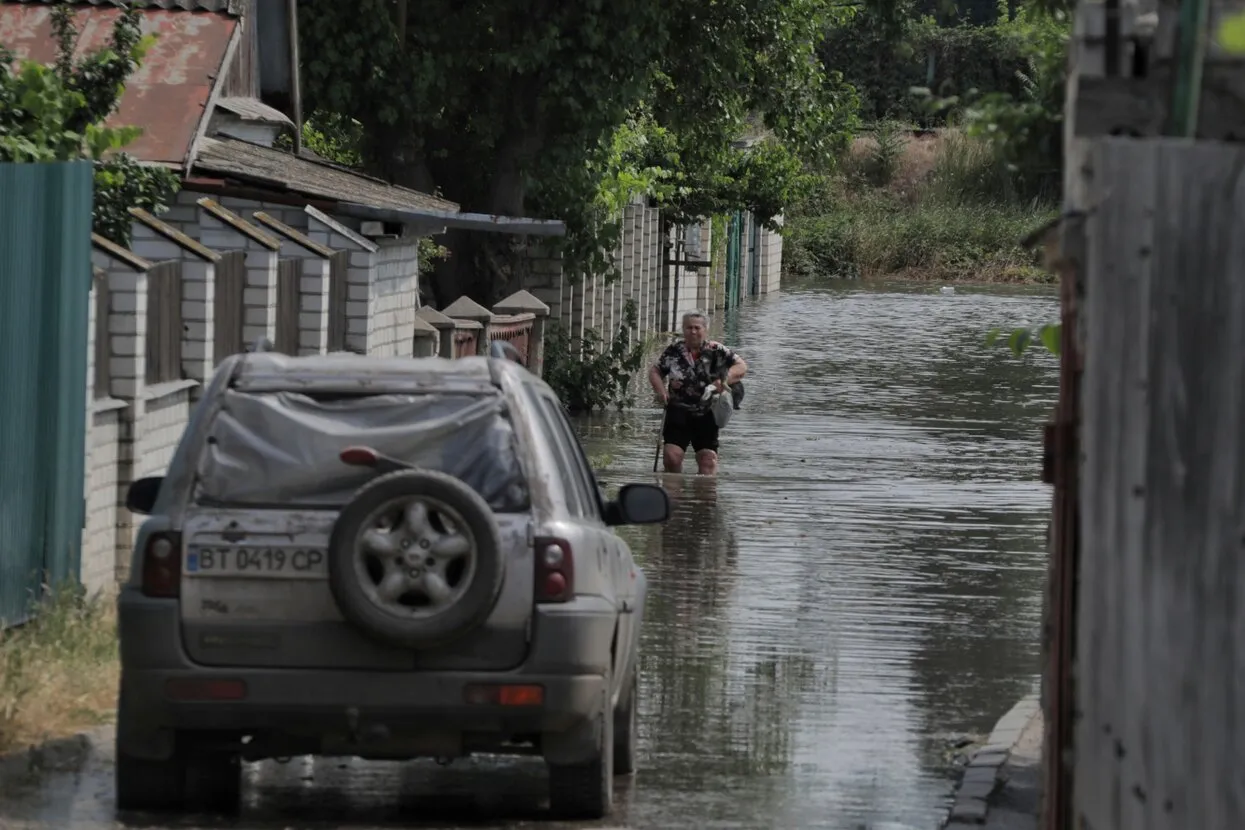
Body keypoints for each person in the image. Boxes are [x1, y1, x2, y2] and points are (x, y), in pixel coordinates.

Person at [649, 310, 747, 476]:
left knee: (707, 460)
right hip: (678, 411)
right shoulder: (674, 351)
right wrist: (661, 391)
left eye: (697, 327)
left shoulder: (717, 350)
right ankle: (673, 496)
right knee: (672, 457)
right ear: (683, 329)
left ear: (705, 329)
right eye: (688, 328)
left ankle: (704, 498)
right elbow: (655, 371)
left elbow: (742, 367)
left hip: (707, 412)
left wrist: (724, 380)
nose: (693, 331)